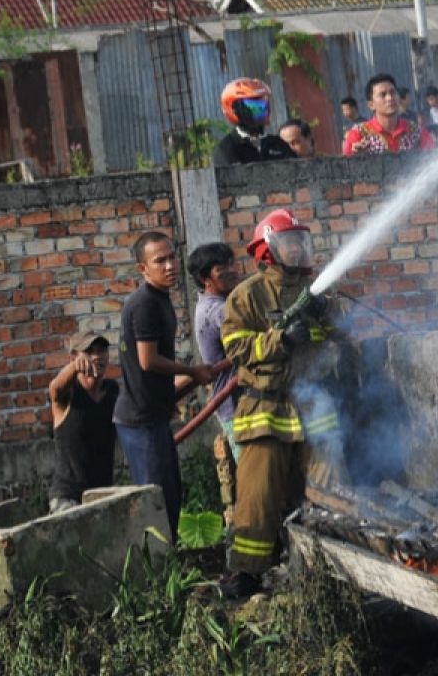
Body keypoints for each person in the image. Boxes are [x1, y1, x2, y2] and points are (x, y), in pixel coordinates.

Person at [219, 209, 340, 599]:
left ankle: (332, 561)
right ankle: (247, 573)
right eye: (289, 243)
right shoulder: (247, 296)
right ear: (267, 251)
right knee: (259, 496)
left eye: (300, 242)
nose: (297, 250)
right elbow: (237, 349)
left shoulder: (317, 291)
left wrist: (327, 317)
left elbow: (337, 339)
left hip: (313, 407)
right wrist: (280, 340)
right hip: (266, 409)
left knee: (330, 482)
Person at [113, 231, 214, 540]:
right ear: (143, 268)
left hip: (153, 415)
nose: (170, 265)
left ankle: (169, 562)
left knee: (171, 495)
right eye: (160, 261)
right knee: (157, 502)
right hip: (140, 419)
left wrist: (184, 385)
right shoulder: (144, 304)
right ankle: (158, 573)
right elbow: (148, 361)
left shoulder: (160, 298)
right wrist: (193, 372)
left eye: (172, 257)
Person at [190, 242, 243, 525]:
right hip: (236, 407)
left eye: (232, 266)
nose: (233, 273)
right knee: (253, 478)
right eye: (223, 271)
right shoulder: (218, 311)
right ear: (205, 278)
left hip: (236, 405)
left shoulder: (212, 305)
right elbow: (250, 343)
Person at [48, 331, 119, 513]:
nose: (97, 357)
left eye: (102, 350)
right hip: (68, 497)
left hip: (103, 495)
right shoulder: (68, 394)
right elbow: (54, 389)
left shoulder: (112, 391)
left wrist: (191, 375)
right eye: (89, 352)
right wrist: (74, 368)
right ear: (74, 357)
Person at [343, 74, 436, 156]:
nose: (390, 98)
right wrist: (357, 157)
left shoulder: (416, 132)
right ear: (371, 105)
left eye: (393, 92)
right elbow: (346, 171)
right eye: (383, 95)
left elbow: (433, 161)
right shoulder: (358, 135)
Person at [214, 79, 297, 165]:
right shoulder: (227, 149)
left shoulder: (278, 144)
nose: (261, 111)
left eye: (263, 106)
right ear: (236, 111)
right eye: (254, 107)